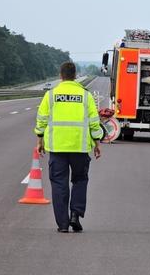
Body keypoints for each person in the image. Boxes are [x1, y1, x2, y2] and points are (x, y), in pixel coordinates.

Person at [34, 62, 103, 233]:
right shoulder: (86, 96)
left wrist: (40, 140)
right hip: (79, 148)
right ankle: (75, 215)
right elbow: (95, 122)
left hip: (57, 148)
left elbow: (41, 120)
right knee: (80, 180)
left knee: (59, 184)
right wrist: (97, 142)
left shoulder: (51, 95)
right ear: (75, 75)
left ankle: (63, 224)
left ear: (61, 75)